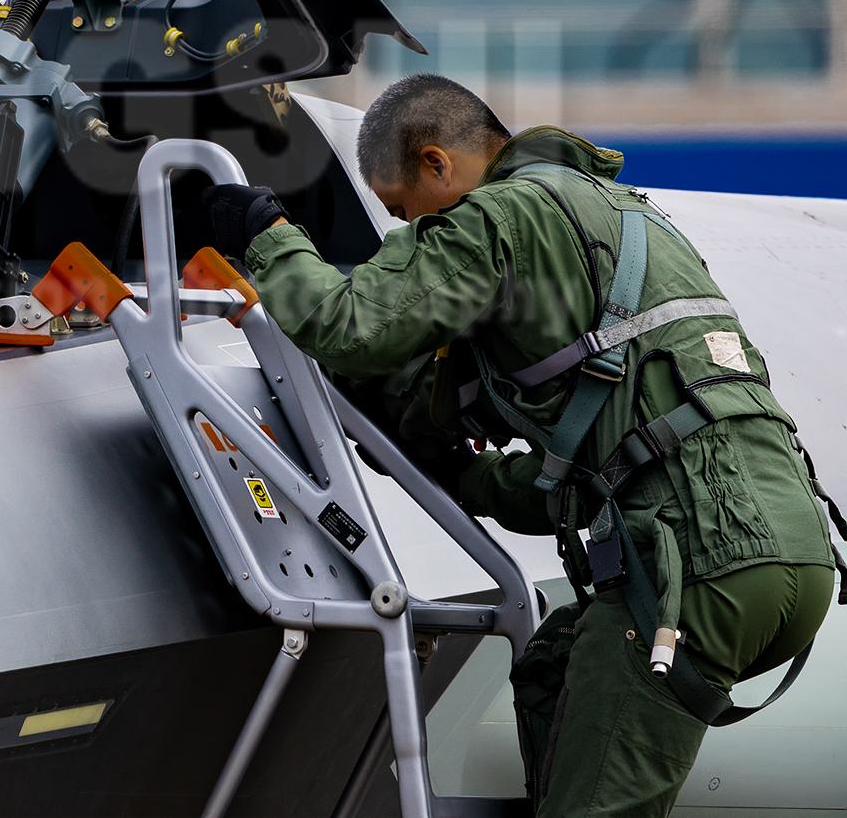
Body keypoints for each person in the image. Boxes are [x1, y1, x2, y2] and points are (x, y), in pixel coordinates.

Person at [202, 74, 845, 818]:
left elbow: (352, 324)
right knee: (552, 668)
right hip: (789, 553)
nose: (409, 235)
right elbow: (577, 485)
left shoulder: (498, 217)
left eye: (404, 211)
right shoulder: (628, 216)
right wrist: (457, 472)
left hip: (694, 569)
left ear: (438, 163)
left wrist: (266, 232)